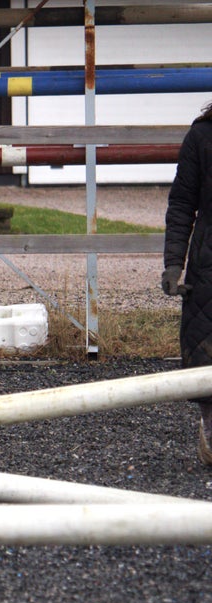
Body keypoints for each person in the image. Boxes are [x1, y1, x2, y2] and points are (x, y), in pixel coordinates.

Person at [163, 98, 212, 463]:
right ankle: (210, 432)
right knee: (206, 353)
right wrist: (172, 264)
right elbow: (182, 203)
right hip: (208, 267)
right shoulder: (201, 136)